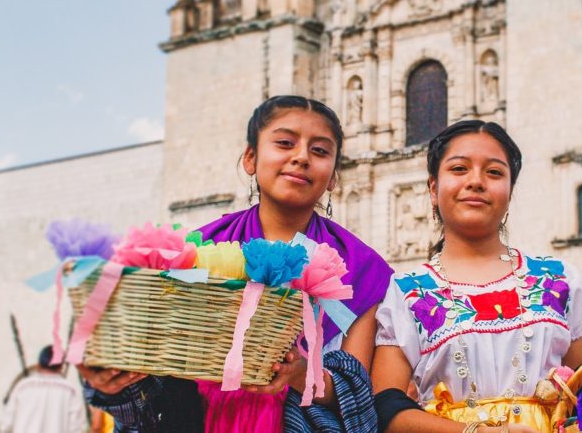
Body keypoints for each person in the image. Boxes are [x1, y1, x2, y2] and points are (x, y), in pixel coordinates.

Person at [78, 95, 393, 432]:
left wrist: (300, 373)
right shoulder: (196, 250)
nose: (301, 157)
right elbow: (160, 367)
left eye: (319, 151)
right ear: (250, 158)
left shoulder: (361, 267)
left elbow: (357, 394)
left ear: (333, 176)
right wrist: (113, 380)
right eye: (285, 143)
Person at [372, 120, 582, 433]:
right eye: (459, 169)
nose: (476, 181)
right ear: (433, 188)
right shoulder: (407, 293)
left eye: (494, 172)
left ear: (510, 191)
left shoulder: (556, 281)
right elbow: (385, 407)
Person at [0, 346, 86, 433]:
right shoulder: (70, 391)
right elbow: (76, 428)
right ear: (61, 366)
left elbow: (7, 424)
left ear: (38, 365)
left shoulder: (23, 387)